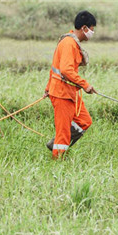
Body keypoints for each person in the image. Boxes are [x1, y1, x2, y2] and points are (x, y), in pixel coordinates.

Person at [45, 10, 97, 159]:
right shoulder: (69, 43)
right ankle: (58, 161)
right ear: (85, 28)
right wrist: (85, 84)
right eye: (92, 30)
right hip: (62, 94)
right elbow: (66, 69)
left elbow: (54, 67)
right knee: (63, 132)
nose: (92, 33)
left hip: (70, 92)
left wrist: (48, 87)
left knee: (85, 121)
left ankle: (55, 144)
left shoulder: (72, 42)